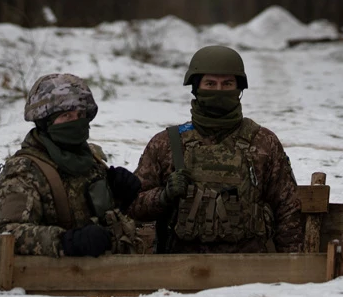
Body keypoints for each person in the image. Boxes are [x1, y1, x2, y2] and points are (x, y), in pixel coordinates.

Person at [129, 45, 304, 253]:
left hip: (251, 273)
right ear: (196, 87)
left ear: (239, 89)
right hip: (178, 270)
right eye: (210, 83)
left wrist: (291, 270)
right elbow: (133, 205)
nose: (219, 91)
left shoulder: (263, 142)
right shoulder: (167, 143)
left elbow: (288, 210)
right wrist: (164, 196)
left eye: (227, 83)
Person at [0, 73, 145, 257]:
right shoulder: (24, 170)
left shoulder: (89, 159)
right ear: (45, 122)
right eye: (66, 115)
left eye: (80, 115)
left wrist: (119, 195)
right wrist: (66, 241)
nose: (76, 122)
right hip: (59, 279)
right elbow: (6, 233)